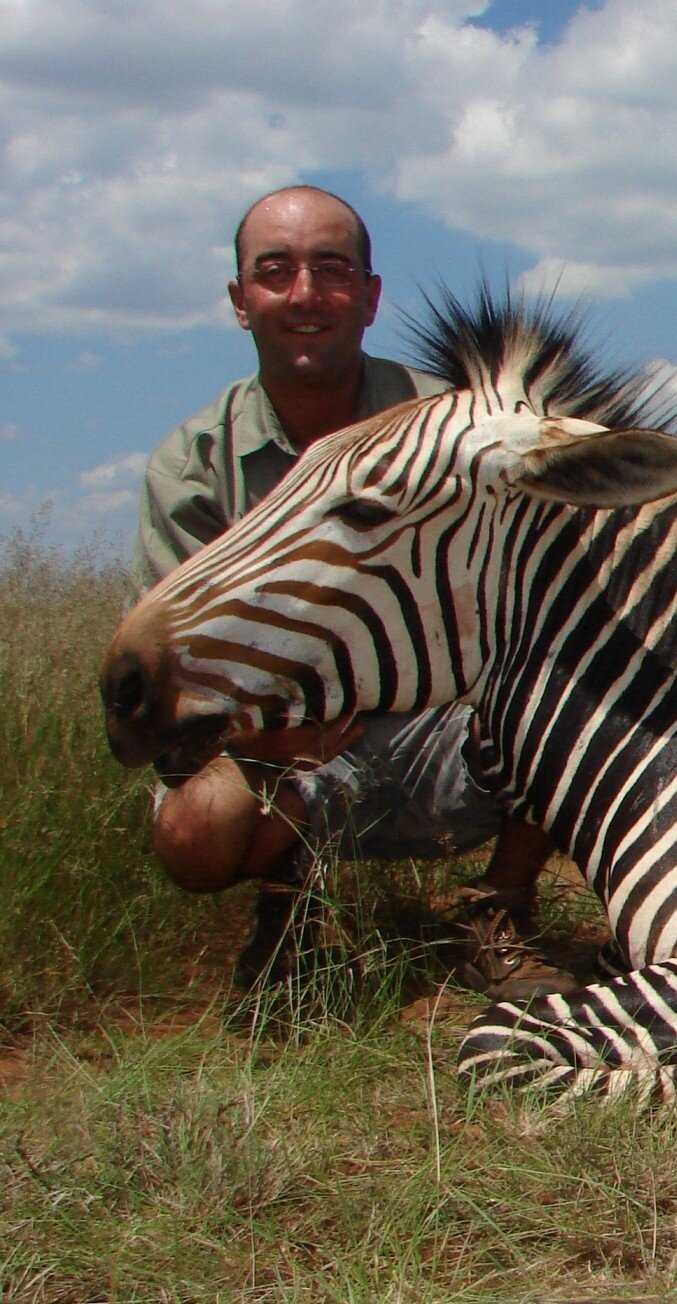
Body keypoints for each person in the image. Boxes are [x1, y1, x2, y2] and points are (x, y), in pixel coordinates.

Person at [135, 185, 574, 1003]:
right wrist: (277, 740)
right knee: (192, 833)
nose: (305, 294)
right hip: (280, 744)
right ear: (240, 301)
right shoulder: (192, 463)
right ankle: (290, 906)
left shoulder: (450, 428)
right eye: (275, 271)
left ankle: (499, 908)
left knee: (574, 688)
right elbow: (186, 666)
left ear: (370, 298)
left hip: (448, 723)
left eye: (332, 270)